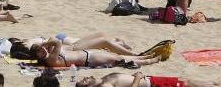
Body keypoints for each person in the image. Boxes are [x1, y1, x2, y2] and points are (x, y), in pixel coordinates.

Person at [31, 38, 160, 68]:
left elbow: (55, 41)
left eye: (40, 48)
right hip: (89, 59)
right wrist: (44, 44)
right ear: (38, 56)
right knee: (118, 59)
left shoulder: (50, 55)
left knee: (117, 56)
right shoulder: (51, 59)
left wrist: (44, 46)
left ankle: (144, 57)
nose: (42, 50)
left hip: (88, 54)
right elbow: (58, 41)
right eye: (38, 51)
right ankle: (148, 60)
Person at [76, 72, 221, 87]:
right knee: (185, 84)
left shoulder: (105, 79)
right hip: (152, 84)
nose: (86, 77)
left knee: (185, 80)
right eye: (84, 81)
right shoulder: (105, 85)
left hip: (151, 80)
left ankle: (214, 83)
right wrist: (137, 79)